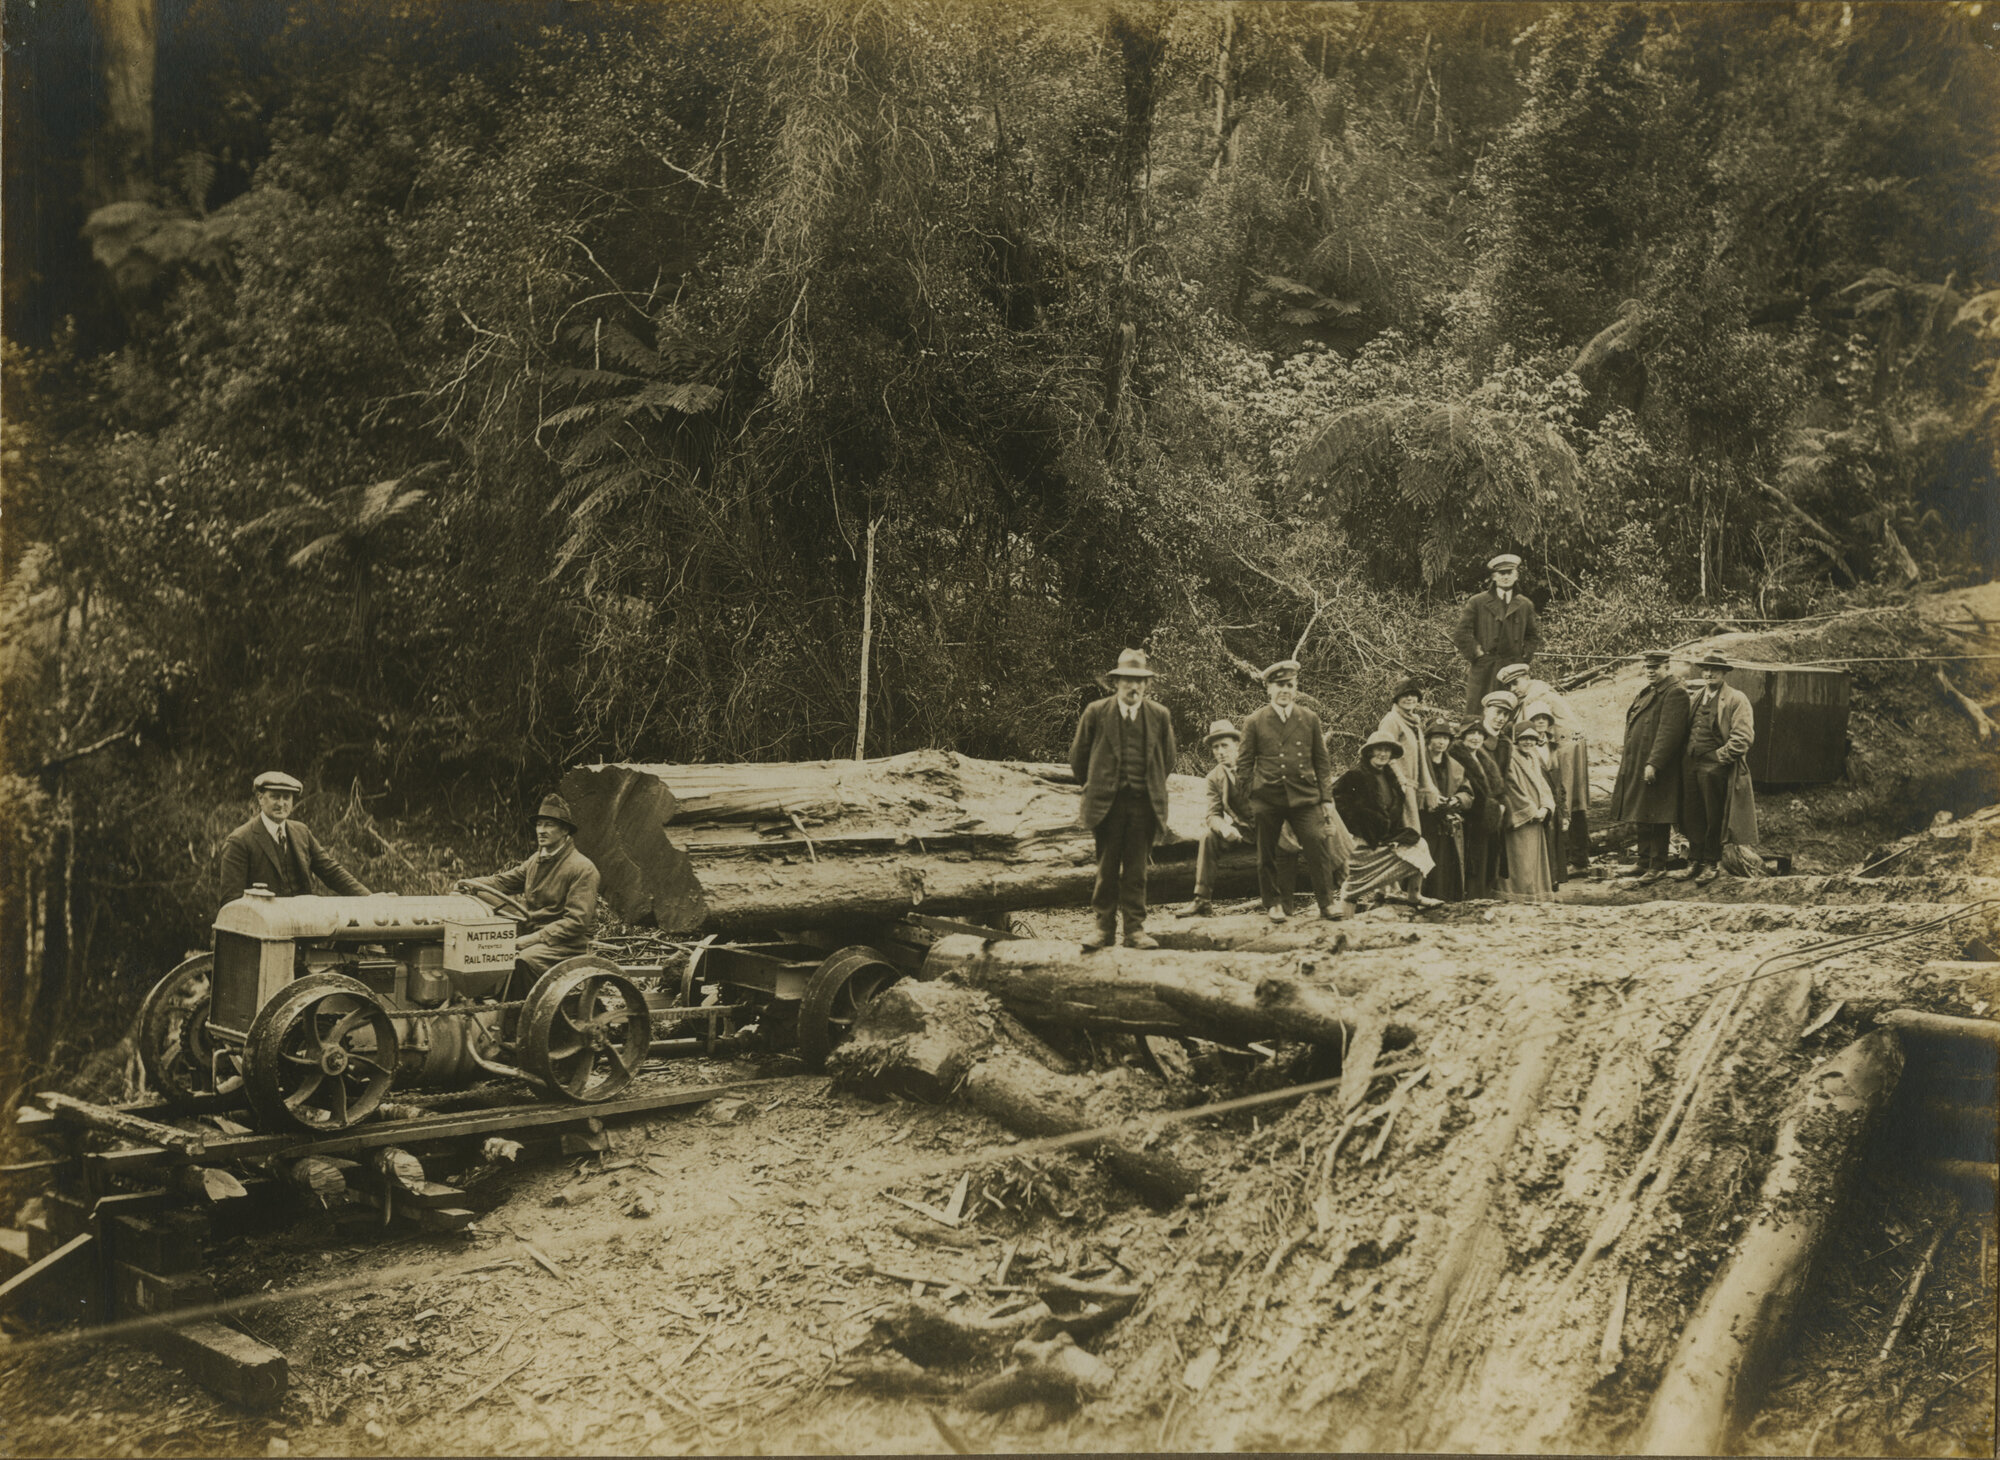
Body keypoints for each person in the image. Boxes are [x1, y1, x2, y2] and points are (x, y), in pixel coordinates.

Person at [1069, 648, 1177, 949]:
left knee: (1137, 870)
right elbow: (1079, 759)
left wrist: (1147, 786)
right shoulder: (1096, 712)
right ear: (1116, 683)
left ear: (1147, 685)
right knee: (1106, 868)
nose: (1134, 687)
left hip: (1143, 805)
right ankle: (1103, 929)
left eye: (1140, 681)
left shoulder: (1159, 716)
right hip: (1108, 805)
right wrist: (1100, 787)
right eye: (1128, 680)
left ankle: (1135, 931)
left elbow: (1167, 760)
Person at [1237, 659, 1339, 923]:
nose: (1285, 690)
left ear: (1296, 688)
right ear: (1268, 689)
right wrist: (1250, 801)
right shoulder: (1255, 721)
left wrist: (1326, 799)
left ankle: (1327, 904)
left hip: (1304, 796)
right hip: (1267, 798)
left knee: (1317, 846)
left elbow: (1322, 762)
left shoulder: (1309, 719)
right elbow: (1244, 765)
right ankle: (1274, 905)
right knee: (1267, 853)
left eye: (1289, 685)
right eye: (1279, 685)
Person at [1180, 718, 1293, 918]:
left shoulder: (1259, 765)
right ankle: (1202, 900)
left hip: (1272, 825)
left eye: (1224, 745)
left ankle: (1276, 903)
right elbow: (1213, 814)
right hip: (1244, 830)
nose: (1220, 752)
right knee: (1208, 837)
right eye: (1215, 747)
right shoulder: (1214, 778)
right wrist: (1224, 828)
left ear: (1237, 745)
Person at [219, 770, 371, 907]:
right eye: (275, 797)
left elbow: (331, 871)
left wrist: (370, 899)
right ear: (260, 798)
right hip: (264, 933)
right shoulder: (239, 841)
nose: (281, 804)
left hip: (303, 927)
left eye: (286, 797)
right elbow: (231, 903)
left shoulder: (301, 832)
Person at [1495, 661, 1592, 873]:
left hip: (1563, 750)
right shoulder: (1533, 694)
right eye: (1509, 685)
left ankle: (1574, 860)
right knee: (1568, 801)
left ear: (1527, 678)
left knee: (1561, 801)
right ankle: (1571, 859)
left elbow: (1534, 730)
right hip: (1559, 747)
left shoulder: (1538, 697)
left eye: (1516, 683)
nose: (1513, 689)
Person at [1608, 650, 1692, 886]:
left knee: (1657, 816)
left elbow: (1669, 734)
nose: (1650, 671)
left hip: (1659, 767)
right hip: (1639, 763)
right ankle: (1644, 861)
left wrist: (1654, 763)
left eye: (1655, 667)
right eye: (1647, 667)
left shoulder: (1675, 693)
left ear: (1667, 667)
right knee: (1642, 812)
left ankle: (1658, 865)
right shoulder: (1650, 691)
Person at [1331, 732, 1438, 914]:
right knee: (1353, 886)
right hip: (1363, 841)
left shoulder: (1390, 777)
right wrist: (1358, 827)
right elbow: (1337, 801)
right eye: (1379, 749)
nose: (1383, 754)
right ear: (1370, 752)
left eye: (1387, 750)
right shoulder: (1355, 775)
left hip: (1384, 837)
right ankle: (1344, 923)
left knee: (1419, 845)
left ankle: (1414, 895)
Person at [1676, 655, 1757, 883]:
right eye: (1706, 670)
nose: (1709, 674)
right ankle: (1694, 861)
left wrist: (1720, 758)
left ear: (1724, 673)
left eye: (1714, 670)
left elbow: (1743, 737)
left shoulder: (1735, 699)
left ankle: (1711, 864)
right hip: (1690, 764)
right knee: (1692, 813)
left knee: (1713, 816)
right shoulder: (1696, 697)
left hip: (1714, 767)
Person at [1451, 554, 1543, 715]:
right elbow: (1461, 633)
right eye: (1502, 573)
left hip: (1512, 670)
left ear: (1516, 575)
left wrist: (1523, 658)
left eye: (1509, 572)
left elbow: (1532, 636)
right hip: (1485, 670)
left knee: (1511, 713)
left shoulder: (1525, 604)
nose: (1506, 576)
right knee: (1478, 714)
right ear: (1494, 576)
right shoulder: (1477, 602)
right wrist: (1478, 654)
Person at [1374, 677, 1442, 829]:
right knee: (1407, 831)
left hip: (1413, 786)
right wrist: (1401, 781)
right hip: (1398, 786)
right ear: (1397, 699)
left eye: (1413, 695)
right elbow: (1385, 754)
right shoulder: (1392, 720)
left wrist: (1428, 787)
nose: (1409, 698)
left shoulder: (1414, 724)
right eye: (1404, 695)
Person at [1451, 721, 1508, 897]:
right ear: (1463, 735)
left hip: (1488, 818)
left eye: (1480, 734)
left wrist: (1501, 806)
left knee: (1487, 863)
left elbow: (1496, 788)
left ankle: (1482, 896)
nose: (1476, 738)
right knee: (1472, 865)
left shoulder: (1483, 758)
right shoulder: (1456, 756)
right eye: (1471, 733)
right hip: (1471, 819)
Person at [1501, 726, 1557, 901]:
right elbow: (1512, 788)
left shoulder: (1533, 757)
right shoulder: (1510, 758)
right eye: (1524, 738)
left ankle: (1535, 896)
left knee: (1534, 863)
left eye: (1532, 739)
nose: (1528, 742)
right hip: (1521, 818)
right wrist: (1532, 811)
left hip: (1537, 818)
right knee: (1519, 861)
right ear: (1516, 738)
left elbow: (1543, 785)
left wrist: (1546, 807)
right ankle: (1516, 897)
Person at [1418, 722, 1471, 901]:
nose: (1441, 742)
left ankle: (1443, 902)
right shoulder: (1419, 763)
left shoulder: (1455, 766)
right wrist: (1428, 798)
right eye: (1437, 737)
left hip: (1447, 824)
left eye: (1445, 738)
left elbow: (1467, 792)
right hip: (1424, 821)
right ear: (1428, 740)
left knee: (1444, 867)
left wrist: (1457, 799)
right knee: (1422, 862)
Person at [1522, 704, 1568, 889]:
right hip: (1535, 800)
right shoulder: (1525, 746)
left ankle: (1553, 881)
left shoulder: (1555, 746)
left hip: (1553, 801)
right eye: (1536, 718)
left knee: (1554, 841)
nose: (1541, 721)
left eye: (1544, 718)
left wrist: (1565, 812)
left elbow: (1561, 781)